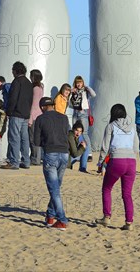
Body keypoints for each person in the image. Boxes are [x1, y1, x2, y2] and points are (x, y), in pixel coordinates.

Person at [33, 97, 74, 230]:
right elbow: (67, 134)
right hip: (64, 154)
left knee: (54, 189)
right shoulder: (64, 118)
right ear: (53, 105)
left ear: (42, 107)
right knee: (56, 187)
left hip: (51, 153)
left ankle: (62, 219)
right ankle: (50, 216)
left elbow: (36, 142)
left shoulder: (40, 119)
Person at [95, 104, 137, 231]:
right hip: (131, 161)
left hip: (117, 160)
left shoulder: (111, 126)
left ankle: (107, 217)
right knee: (127, 194)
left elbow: (105, 147)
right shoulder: (132, 127)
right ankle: (129, 222)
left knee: (107, 188)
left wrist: (101, 163)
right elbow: (136, 147)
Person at [1, 61, 33, 170]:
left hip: (16, 113)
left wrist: (9, 111)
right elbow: (30, 100)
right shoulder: (29, 83)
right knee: (25, 138)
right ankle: (26, 161)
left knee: (14, 138)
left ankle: (14, 162)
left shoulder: (16, 82)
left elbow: (13, 98)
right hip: (25, 114)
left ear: (15, 71)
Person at [69, 76, 96, 170]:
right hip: (75, 113)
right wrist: (70, 92)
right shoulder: (74, 91)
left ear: (83, 83)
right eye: (77, 82)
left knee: (84, 133)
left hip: (83, 113)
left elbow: (94, 94)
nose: (79, 84)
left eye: (80, 82)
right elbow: (69, 103)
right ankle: (75, 150)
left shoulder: (85, 91)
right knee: (74, 132)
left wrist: (87, 87)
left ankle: (89, 153)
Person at [28, 69, 44, 166]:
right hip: (39, 114)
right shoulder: (41, 86)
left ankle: (35, 158)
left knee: (32, 138)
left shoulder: (34, 88)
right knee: (37, 138)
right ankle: (36, 157)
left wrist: (30, 118)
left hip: (34, 116)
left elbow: (33, 104)